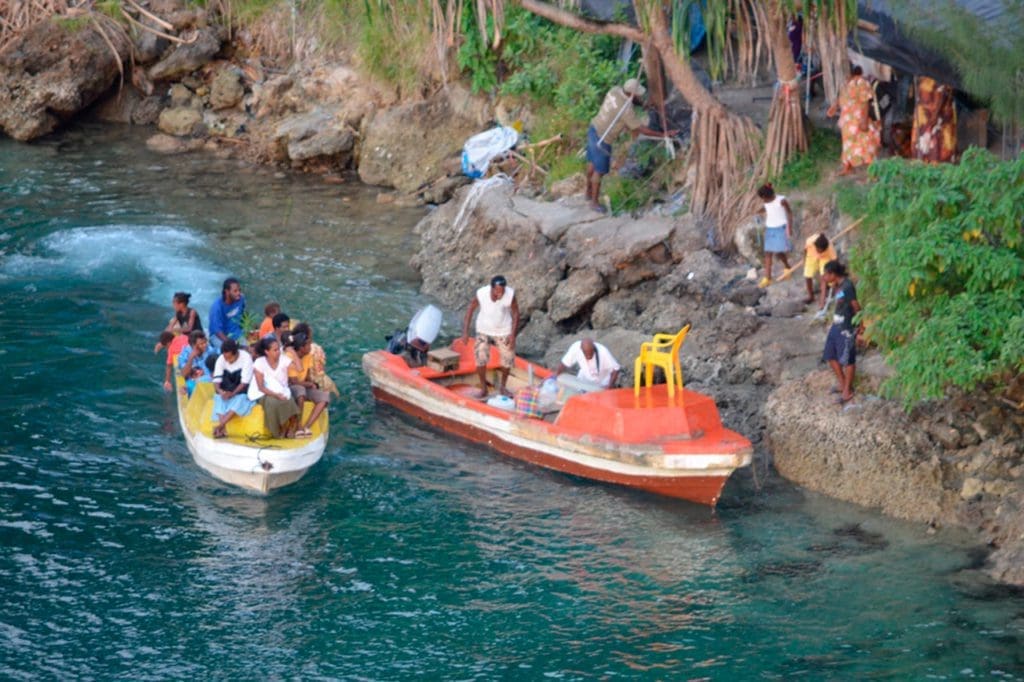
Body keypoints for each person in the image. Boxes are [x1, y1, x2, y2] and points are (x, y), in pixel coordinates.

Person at [585, 78, 672, 213]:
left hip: (593, 128)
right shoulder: (626, 110)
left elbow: (629, 104)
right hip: (603, 138)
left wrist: (642, 105)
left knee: (591, 162)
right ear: (632, 94)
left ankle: (588, 193)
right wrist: (664, 134)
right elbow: (640, 129)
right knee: (599, 171)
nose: (640, 97)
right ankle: (594, 203)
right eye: (638, 95)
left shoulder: (614, 90)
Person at [461, 275, 520, 398]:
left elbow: (516, 313)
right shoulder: (481, 294)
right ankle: (483, 388)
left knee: (508, 358)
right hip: (484, 329)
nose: (500, 293)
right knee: (480, 356)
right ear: (491, 289)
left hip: (504, 329)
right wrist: (465, 332)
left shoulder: (510, 295)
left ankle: (503, 387)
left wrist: (513, 335)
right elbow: (470, 310)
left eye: (502, 291)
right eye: (498, 291)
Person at [827, 65, 881, 175]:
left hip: (859, 120)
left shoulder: (861, 82)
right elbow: (842, 97)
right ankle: (848, 167)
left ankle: (873, 172)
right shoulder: (846, 84)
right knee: (847, 146)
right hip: (847, 121)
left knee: (866, 145)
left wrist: (864, 121)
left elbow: (865, 102)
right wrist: (834, 107)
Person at [821, 260, 862, 404]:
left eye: (826, 274)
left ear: (833, 273)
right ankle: (843, 383)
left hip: (847, 327)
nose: (824, 277)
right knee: (830, 355)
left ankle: (847, 391)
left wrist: (860, 326)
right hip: (836, 325)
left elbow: (856, 306)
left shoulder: (848, 286)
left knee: (848, 359)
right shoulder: (837, 286)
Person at [247, 336, 300, 438]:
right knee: (272, 402)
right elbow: (261, 387)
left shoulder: (284, 359)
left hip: (282, 389)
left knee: (287, 399)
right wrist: (276, 395)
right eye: (275, 350)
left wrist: (293, 353)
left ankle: (291, 425)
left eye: (278, 349)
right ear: (267, 352)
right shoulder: (259, 362)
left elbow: (299, 368)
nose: (278, 352)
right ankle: (280, 427)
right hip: (263, 392)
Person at [285, 332, 330, 437]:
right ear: (301, 348)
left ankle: (307, 426)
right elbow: (294, 381)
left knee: (324, 397)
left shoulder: (308, 356)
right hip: (292, 387)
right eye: (308, 345)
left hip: (304, 385)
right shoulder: (289, 357)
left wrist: (313, 384)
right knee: (300, 391)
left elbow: (307, 375)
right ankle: (298, 425)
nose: (310, 347)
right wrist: (309, 384)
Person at [210, 339, 255, 438]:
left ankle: (220, 426)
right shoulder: (221, 359)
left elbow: (244, 383)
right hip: (225, 389)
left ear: (236, 353)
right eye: (225, 358)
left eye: (230, 358)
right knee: (218, 398)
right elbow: (216, 381)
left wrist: (233, 393)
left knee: (241, 400)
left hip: (240, 390)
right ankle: (223, 428)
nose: (227, 360)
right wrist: (221, 392)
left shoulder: (246, 358)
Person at [756, 183, 794, 287]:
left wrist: (789, 227)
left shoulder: (781, 200)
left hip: (781, 228)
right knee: (768, 253)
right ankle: (767, 278)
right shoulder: (766, 202)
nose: (762, 200)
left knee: (778, 252)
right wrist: (757, 212)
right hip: (770, 228)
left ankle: (787, 267)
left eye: (763, 198)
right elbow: (766, 208)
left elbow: (789, 213)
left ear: (767, 196)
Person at [293, 322, 339, 397]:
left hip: (304, 383)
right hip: (322, 382)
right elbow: (322, 366)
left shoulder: (290, 351)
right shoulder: (316, 348)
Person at [555, 338, 621, 389]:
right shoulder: (575, 348)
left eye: (591, 354)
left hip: (602, 380)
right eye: (586, 355)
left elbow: (616, 369)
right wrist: (556, 376)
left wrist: (610, 386)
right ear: (581, 349)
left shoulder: (603, 352)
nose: (589, 357)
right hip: (585, 376)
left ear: (594, 348)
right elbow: (564, 363)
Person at [208, 277, 246, 351]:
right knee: (230, 352)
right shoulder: (216, 307)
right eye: (235, 291)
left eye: (239, 290)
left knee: (247, 351)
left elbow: (243, 314)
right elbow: (217, 331)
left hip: (236, 333)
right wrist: (232, 344)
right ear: (227, 291)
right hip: (219, 336)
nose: (238, 293)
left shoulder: (241, 299)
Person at [178, 330, 216, 397]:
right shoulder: (184, 354)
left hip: (209, 381)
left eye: (205, 342)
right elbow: (183, 374)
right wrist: (191, 358)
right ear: (193, 346)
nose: (205, 345)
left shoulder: (210, 351)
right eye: (201, 344)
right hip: (193, 384)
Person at [803, 233, 837, 307]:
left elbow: (835, 260)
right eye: (818, 250)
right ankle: (811, 296)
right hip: (811, 254)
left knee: (824, 276)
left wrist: (834, 273)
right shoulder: (809, 241)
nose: (819, 252)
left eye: (821, 251)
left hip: (825, 257)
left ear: (825, 248)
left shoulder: (829, 248)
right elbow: (805, 250)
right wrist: (805, 261)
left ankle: (823, 300)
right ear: (815, 246)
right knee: (807, 275)